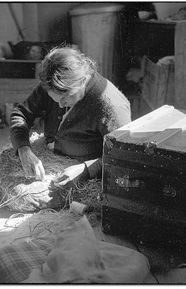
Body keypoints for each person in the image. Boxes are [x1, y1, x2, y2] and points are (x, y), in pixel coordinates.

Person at [10, 46, 131, 188]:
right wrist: (24, 149)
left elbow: (123, 157)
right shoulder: (53, 84)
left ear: (83, 80)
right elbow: (21, 113)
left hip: (86, 174)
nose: (60, 106)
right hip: (51, 158)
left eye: (66, 98)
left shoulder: (110, 106)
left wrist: (86, 169)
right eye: (55, 99)